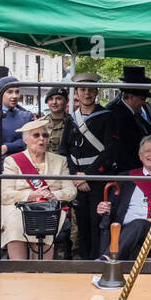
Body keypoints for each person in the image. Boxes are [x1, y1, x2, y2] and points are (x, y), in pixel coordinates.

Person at [96, 135, 151, 261]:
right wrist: (103, 208)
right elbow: (112, 209)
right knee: (133, 230)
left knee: (140, 224)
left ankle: (108, 260)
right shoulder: (124, 179)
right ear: (140, 156)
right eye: (148, 151)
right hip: (125, 232)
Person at [0, 119, 76, 260]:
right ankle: (19, 272)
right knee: (16, 223)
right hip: (19, 208)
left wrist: (52, 195)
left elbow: (71, 191)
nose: (41, 139)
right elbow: (4, 195)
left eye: (45, 135)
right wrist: (31, 195)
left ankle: (42, 274)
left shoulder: (60, 161)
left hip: (49, 208)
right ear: (26, 140)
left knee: (46, 223)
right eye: (36, 135)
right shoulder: (13, 161)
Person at [60, 72, 115, 259]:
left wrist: (88, 175)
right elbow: (64, 151)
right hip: (77, 181)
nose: (87, 94)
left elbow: (110, 152)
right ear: (76, 93)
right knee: (81, 226)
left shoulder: (107, 117)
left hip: (97, 180)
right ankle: (84, 261)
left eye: (91, 90)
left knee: (97, 224)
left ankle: (96, 260)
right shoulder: (71, 119)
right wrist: (76, 175)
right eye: (83, 90)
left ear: (96, 92)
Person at [104, 66, 151, 173]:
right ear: (131, 97)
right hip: (127, 171)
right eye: (142, 99)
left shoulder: (133, 113)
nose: (144, 103)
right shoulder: (117, 115)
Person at [0, 75, 34, 170]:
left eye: (17, 92)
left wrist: (7, 147)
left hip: (26, 167)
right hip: (3, 169)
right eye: (9, 92)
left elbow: (32, 142)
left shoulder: (26, 115)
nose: (14, 96)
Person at [42, 87, 70, 157]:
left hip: (66, 164)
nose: (54, 102)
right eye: (51, 99)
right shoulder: (40, 123)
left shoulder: (73, 122)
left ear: (66, 101)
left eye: (58, 98)